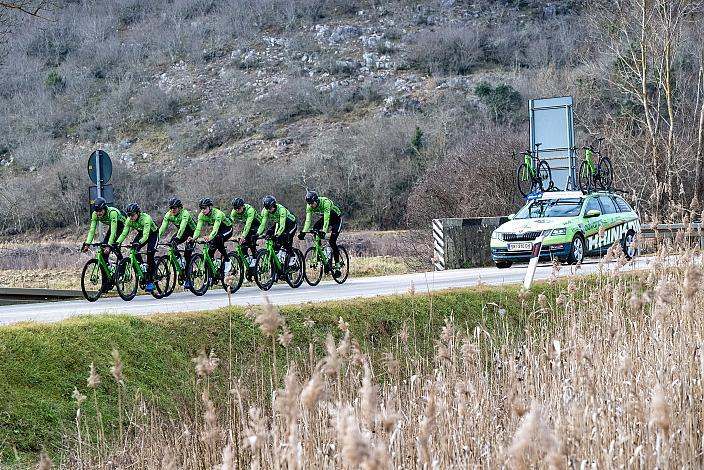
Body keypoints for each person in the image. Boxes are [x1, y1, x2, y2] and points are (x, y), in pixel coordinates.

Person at [116, 202, 159, 292]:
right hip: (141, 233)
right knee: (134, 250)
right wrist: (117, 242)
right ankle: (143, 268)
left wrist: (139, 243)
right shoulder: (129, 220)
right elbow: (124, 233)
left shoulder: (146, 218)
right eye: (128, 215)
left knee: (150, 253)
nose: (130, 217)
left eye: (132, 215)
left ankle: (151, 280)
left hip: (152, 234)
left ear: (138, 213)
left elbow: (146, 236)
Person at [298, 190, 343, 271]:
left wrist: (324, 232)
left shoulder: (325, 203)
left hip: (336, 219)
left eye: (312, 203)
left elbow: (326, 219)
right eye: (309, 204)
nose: (311, 205)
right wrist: (303, 232)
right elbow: (308, 221)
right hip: (327, 218)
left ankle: (337, 265)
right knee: (315, 228)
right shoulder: (309, 206)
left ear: (316, 200)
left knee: (332, 242)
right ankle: (322, 252)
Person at [159, 197, 197, 288]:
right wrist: (157, 238)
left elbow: (182, 227)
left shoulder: (185, 213)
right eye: (171, 208)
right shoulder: (169, 214)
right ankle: (179, 261)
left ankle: (189, 278)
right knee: (172, 244)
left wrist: (177, 237)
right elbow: (162, 228)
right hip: (182, 232)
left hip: (191, 233)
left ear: (179, 208)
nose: (172, 210)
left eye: (174, 208)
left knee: (187, 256)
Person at [189, 197, 233, 273]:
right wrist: (193, 238)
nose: (203, 210)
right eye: (201, 208)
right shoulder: (201, 215)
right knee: (209, 253)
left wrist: (209, 237)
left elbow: (215, 229)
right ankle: (211, 274)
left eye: (204, 208)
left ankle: (227, 260)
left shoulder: (218, 214)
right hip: (218, 231)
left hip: (227, 229)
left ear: (210, 207)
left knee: (218, 238)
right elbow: (198, 229)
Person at [82, 196, 126, 262]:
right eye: (96, 211)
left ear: (104, 208)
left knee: (113, 244)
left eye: (100, 210)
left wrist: (109, 246)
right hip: (112, 226)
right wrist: (87, 244)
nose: (98, 213)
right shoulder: (95, 214)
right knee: (103, 251)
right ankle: (106, 269)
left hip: (122, 226)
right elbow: (92, 230)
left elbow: (113, 233)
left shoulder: (112, 213)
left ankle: (122, 264)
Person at [230, 197, 262, 275]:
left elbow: (248, 225)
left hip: (257, 225)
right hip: (248, 226)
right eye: (235, 208)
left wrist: (243, 236)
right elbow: (230, 223)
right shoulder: (234, 212)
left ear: (243, 206)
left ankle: (255, 261)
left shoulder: (250, 210)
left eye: (239, 208)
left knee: (250, 239)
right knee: (243, 245)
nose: (237, 210)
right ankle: (249, 264)